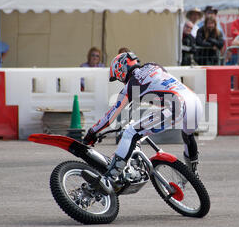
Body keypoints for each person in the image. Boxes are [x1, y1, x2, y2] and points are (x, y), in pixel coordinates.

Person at [82, 52, 203, 194]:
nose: (121, 81)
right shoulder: (154, 66)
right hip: (195, 102)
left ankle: (109, 177)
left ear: (121, 70)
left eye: (118, 78)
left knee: (130, 133)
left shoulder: (129, 87)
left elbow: (110, 118)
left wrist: (91, 133)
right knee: (187, 136)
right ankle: (193, 172)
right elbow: (159, 86)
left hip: (176, 106)